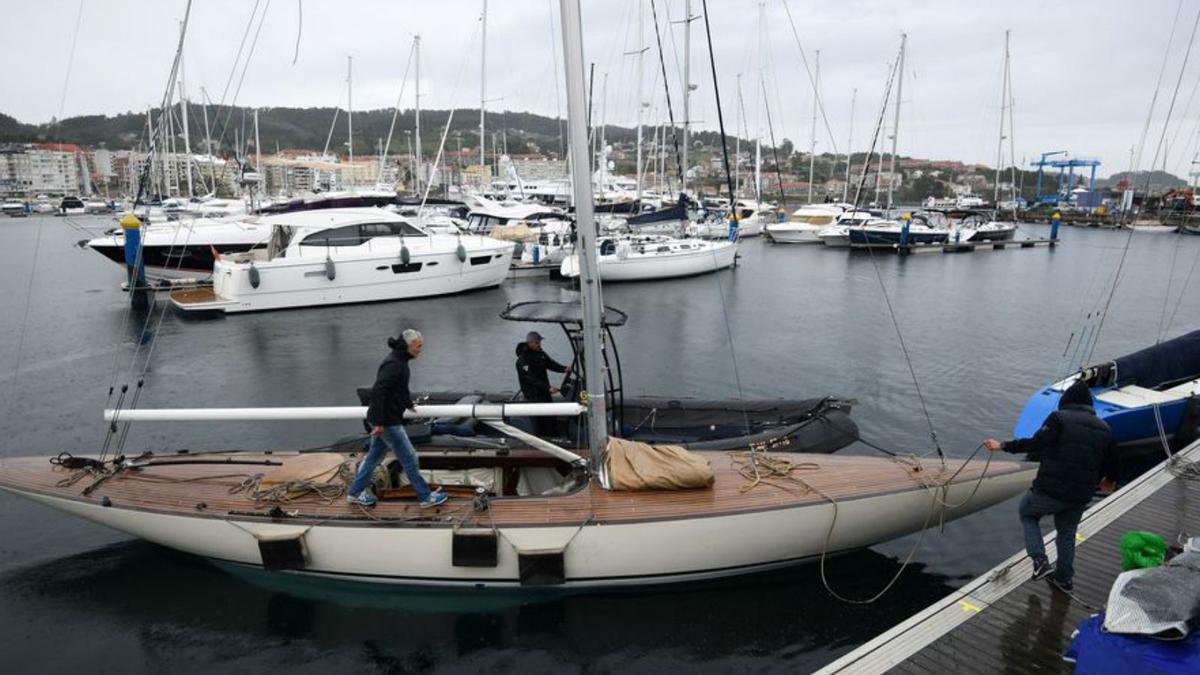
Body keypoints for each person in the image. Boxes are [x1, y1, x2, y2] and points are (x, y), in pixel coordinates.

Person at [984, 379, 1118, 593]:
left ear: (1067, 400)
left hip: (1050, 489)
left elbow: (1036, 443)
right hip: (1080, 495)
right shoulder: (1105, 428)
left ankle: (1040, 561)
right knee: (1066, 533)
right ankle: (1064, 579)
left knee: (1027, 514)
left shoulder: (1058, 419)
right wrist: (1109, 480)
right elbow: (1112, 462)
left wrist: (1002, 446)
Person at [347, 329, 447, 509]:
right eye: (418, 346)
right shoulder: (394, 364)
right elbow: (379, 391)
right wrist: (378, 423)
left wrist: (408, 404)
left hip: (384, 420)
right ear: (408, 346)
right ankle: (425, 497)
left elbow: (398, 390)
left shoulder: (399, 361)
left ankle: (354, 492)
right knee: (409, 458)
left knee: (373, 458)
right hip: (387, 422)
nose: (420, 350)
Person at [515, 331, 572, 436]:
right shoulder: (522, 360)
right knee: (540, 422)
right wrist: (548, 388)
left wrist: (564, 368)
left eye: (540, 342)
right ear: (530, 343)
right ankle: (540, 438)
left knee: (550, 419)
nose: (539, 344)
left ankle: (553, 436)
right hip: (533, 396)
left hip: (544, 393)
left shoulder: (541, 354)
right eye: (537, 342)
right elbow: (530, 378)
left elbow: (551, 364)